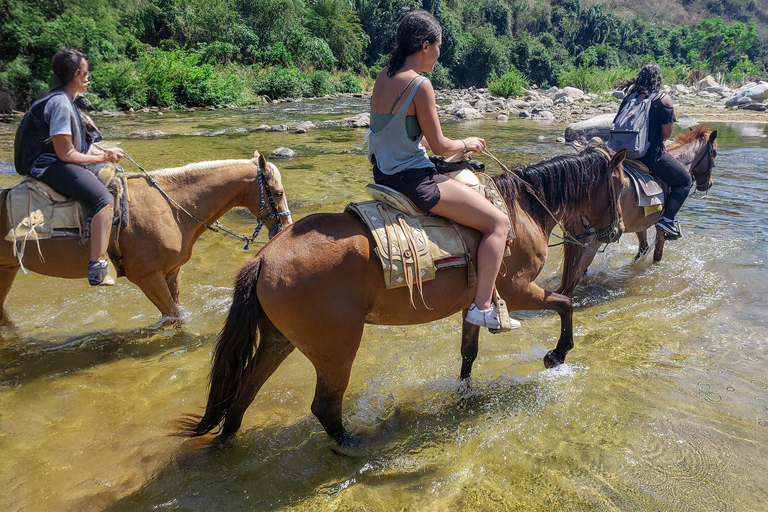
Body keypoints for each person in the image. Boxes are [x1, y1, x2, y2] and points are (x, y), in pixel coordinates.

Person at [368, 10, 518, 331]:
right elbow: (440, 146)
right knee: (497, 223)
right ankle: (482, 307)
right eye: (438, 47)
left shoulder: (383, 76)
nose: (439, 54)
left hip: (383, 175)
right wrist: (468, 142)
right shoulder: (421, 85)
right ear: (425, 46)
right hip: (414, 180)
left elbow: (394, 135)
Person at [21, 48, 124, 285]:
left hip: (55, 161)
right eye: (86, 73)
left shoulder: (65, 101)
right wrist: (103, 158)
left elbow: (81, 146)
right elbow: (65, 153)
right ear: (77, 73)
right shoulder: (60, 105)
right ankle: (97, 266)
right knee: (103, 200)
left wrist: (104, 152)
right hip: (49, 166)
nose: (88, 78)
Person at [619, 64, 691, 239]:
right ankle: (667, 220)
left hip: (622, 152)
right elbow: (666, 134)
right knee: (685, 181)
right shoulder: (663, 99)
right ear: (658, 79)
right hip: (650, 155)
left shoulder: (630, 97)